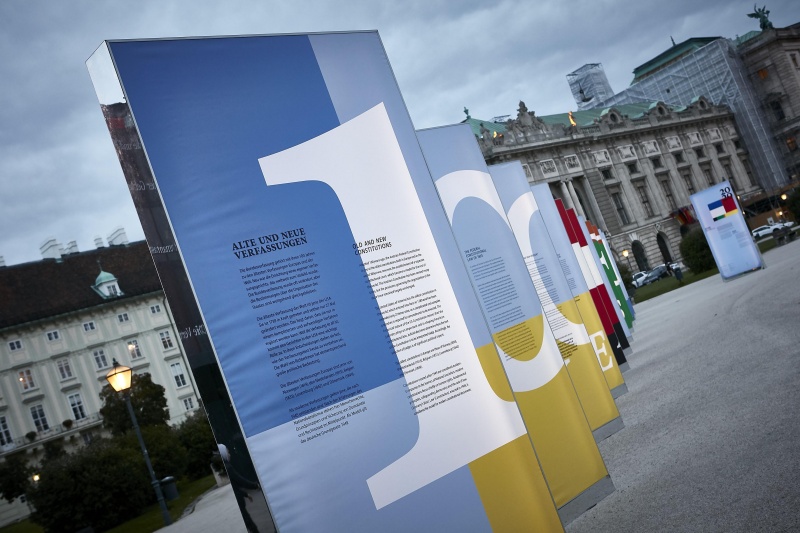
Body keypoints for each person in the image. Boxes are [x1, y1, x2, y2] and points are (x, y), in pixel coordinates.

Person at [218, 444, 261, 533]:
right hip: (239, 506)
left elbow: (235, 487)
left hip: (240, 504)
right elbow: (240, 480)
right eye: (228, 452)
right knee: (252, 527)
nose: (229, 454)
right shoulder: (228, 467)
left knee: (251, 526)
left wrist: (245, 494)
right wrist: (255, 485)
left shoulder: (226, 466)